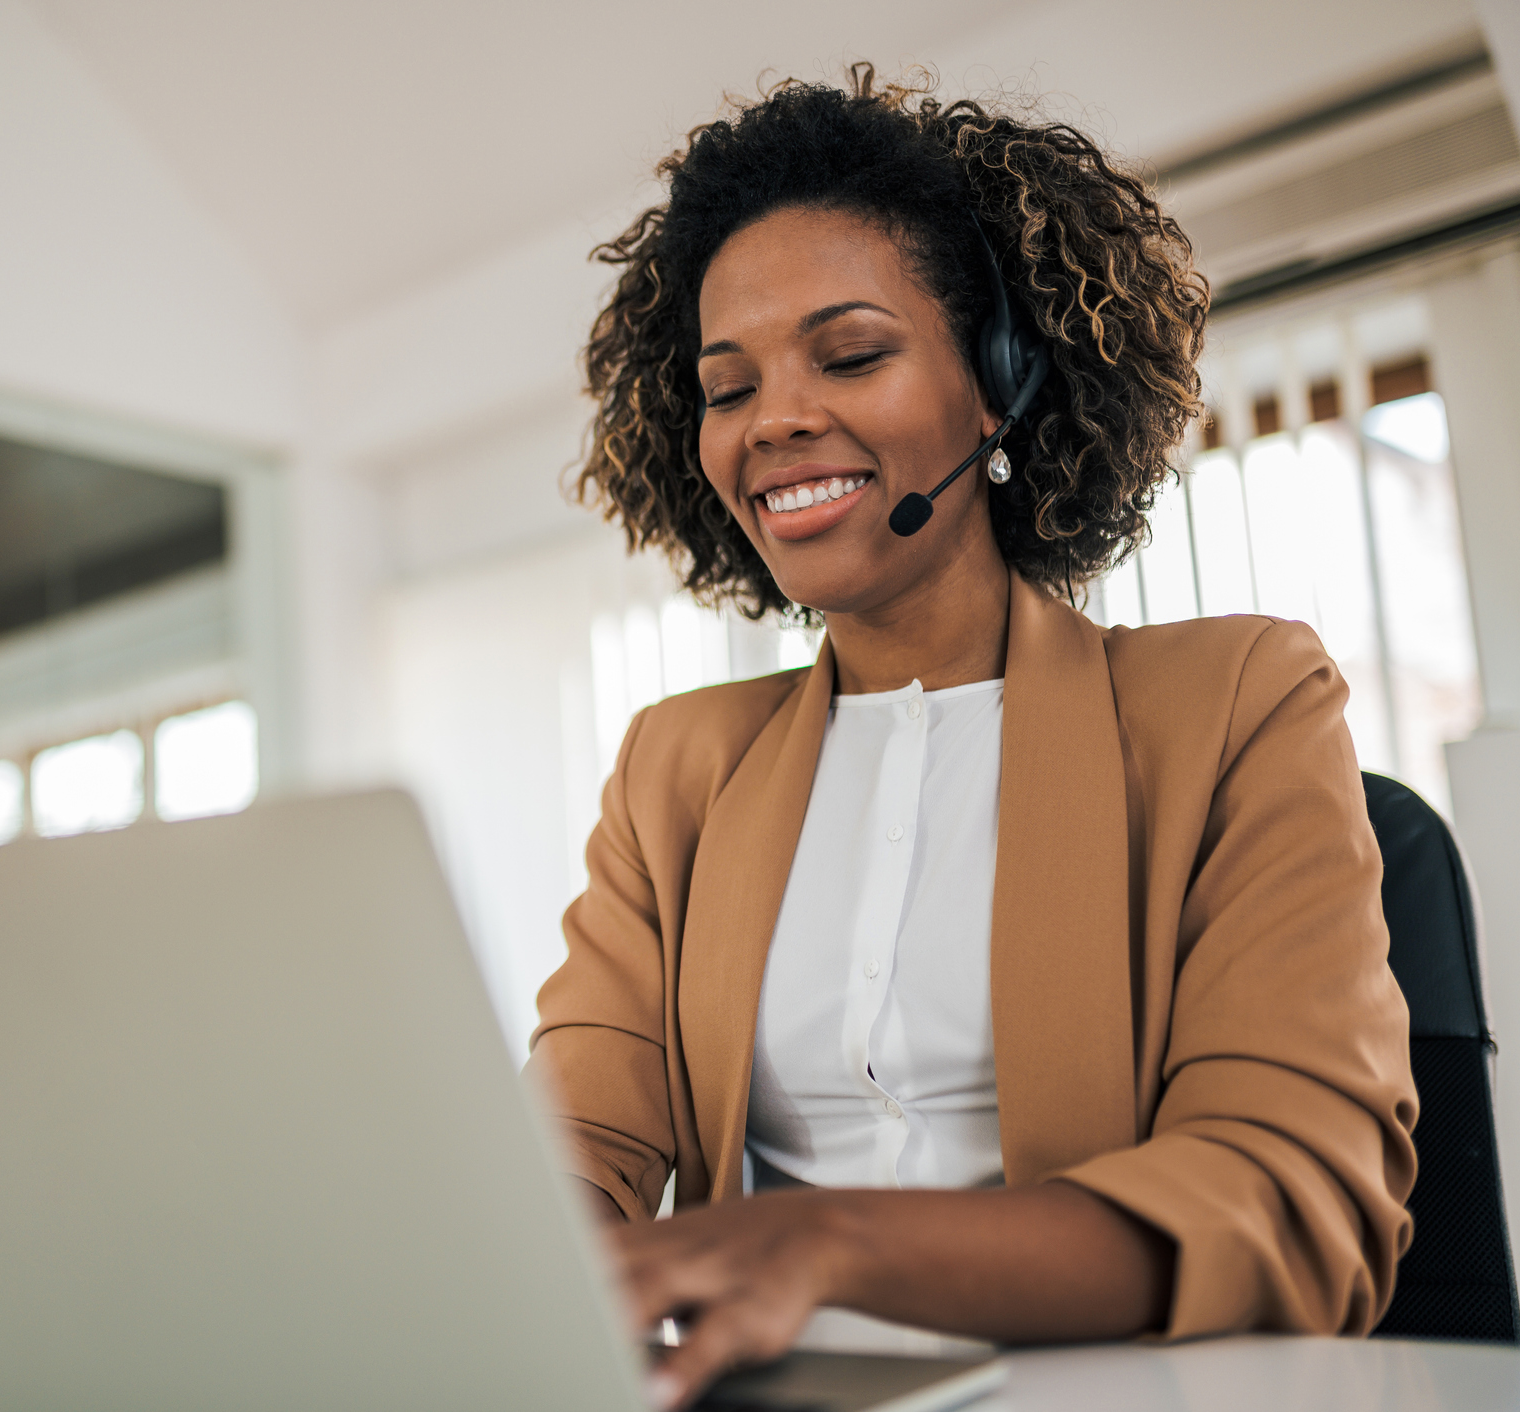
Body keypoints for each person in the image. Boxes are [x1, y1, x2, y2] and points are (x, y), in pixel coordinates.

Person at [525, 68, 1416, 1411]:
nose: (772, 421)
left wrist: (827, 1245)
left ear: (998, 385)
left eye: (851, 354)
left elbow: (1289, 1192)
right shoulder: (677, 765)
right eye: (727, 384)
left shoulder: (1234, 697)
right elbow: (578, 1137)